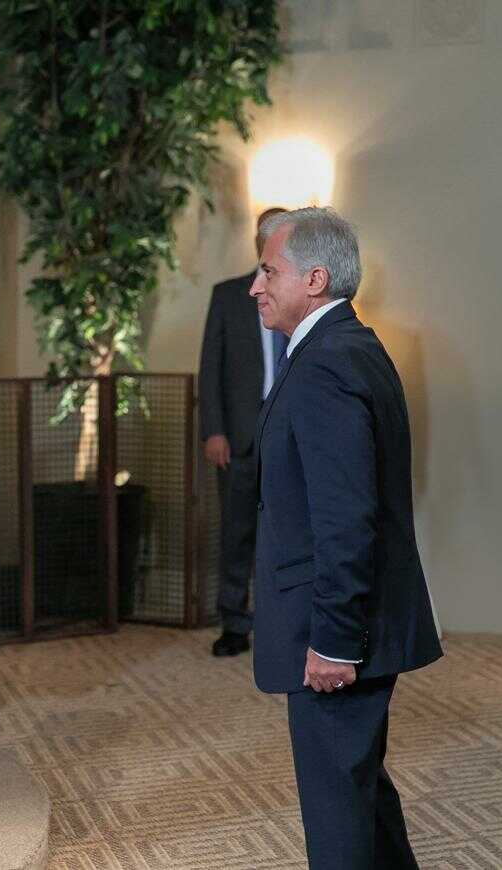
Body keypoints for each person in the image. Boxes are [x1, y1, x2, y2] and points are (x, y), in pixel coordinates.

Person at [248, 207, 442, 869]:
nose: (256, 286)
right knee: (359, 791)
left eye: (268, 270)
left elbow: (346, 518)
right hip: (354, 621)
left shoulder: (325, 364)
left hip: (335, 633)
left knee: (338, 818)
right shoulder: (348, 346)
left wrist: (332, 641)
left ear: (315, 279)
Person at [198, 205, 287, 657]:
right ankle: (234, 622)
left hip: (289, 434)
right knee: (236, 532)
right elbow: (210, 367)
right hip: (238, 437)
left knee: (287, 531)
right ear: (257, 242)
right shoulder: (229, 295)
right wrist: (213, 431)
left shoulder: (302, 295)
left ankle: (283, 622)